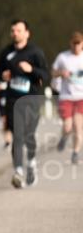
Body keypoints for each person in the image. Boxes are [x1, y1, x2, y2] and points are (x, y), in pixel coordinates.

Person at [0, 19, 50, 188]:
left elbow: (46, 76)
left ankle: (31, 163)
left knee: (28, 135)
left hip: (32, 98)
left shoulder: (35, 52)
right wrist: (3, 76)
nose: (15, 33)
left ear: (27, 33)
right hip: (13, 99)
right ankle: (18, 171)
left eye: (19, 30)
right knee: (17, 136)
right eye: (13, 30)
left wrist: (31, 70)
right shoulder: (6, 52)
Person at [51, 31, 83, 164]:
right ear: (70, 43)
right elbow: (52, 72)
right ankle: (64, 137)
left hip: (81, 97)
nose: (76, 47)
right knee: (68, 126)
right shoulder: (63, 57)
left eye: (79, 44)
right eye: (74, 44)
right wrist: (60, 73)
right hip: (66, 96)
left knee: (78, 127)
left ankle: (75, 152)